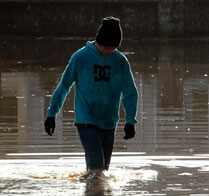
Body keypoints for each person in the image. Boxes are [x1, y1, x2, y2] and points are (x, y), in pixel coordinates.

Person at [44, 16, 138, 180]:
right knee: (97, 169)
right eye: (108, 47)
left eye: (114, 47)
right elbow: (64, 86)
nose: (111, 51)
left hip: (109, 121)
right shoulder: (80, 57)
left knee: (102, 172)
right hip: (86, 120)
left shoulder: (120, 60)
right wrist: (51, 114)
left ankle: (92, 190)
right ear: (100, 41)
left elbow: (130, 91)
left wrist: (130, 121)